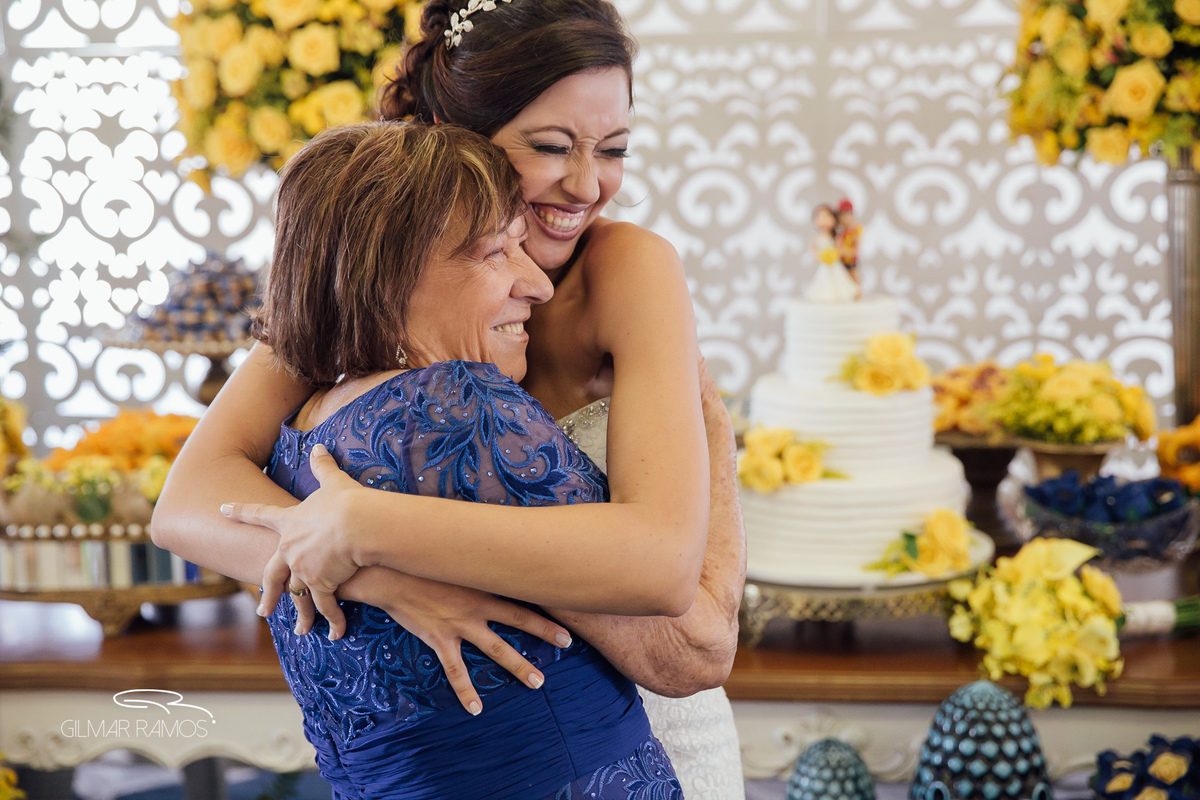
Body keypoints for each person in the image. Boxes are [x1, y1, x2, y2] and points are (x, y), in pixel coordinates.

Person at [152, 0, 747, 795]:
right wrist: (373, 573)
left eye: (614, 150)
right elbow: (187, 502)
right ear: (449, 134)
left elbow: (667, 573)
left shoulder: (628, 269)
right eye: (549, 146)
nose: (586, 184)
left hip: (640, 731)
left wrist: (370, 524)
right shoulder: (380, 266)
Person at [249, 120, 683, 798]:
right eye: (495, 253)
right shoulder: (455, 402)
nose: (536, 283)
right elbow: (672, 595)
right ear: (388, 274)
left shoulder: (288, 442)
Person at [805, 203, 858, 303]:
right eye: (820, 217)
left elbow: (840, 249)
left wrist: (835, 254)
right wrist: (820, 257)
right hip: (824, 264)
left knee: (839, 280)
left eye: (827, 216)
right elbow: (813, 250)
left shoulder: (836, 237)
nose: (824, 220)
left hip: (834, 263)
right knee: (824, 280)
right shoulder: (817, 238)